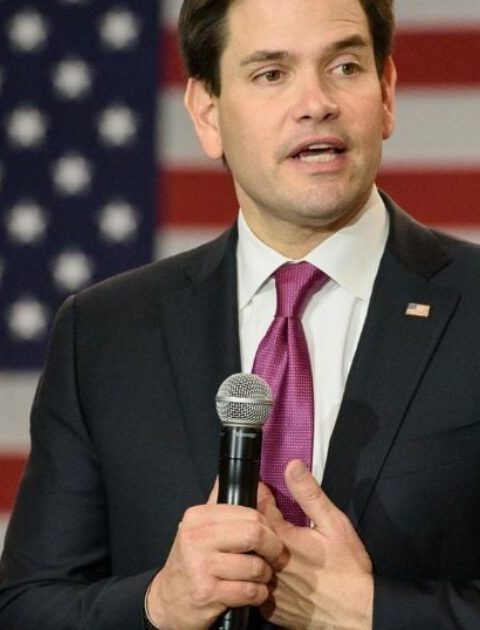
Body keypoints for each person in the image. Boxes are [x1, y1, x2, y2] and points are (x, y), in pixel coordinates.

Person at [1, 0, 480, 628]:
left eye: (344, 66)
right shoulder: (104, 333)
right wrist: (159, 603)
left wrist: (373, 613)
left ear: (386, 93)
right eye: (271, 73)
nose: (316, 103)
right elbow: (28, 606)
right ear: (208, 113)